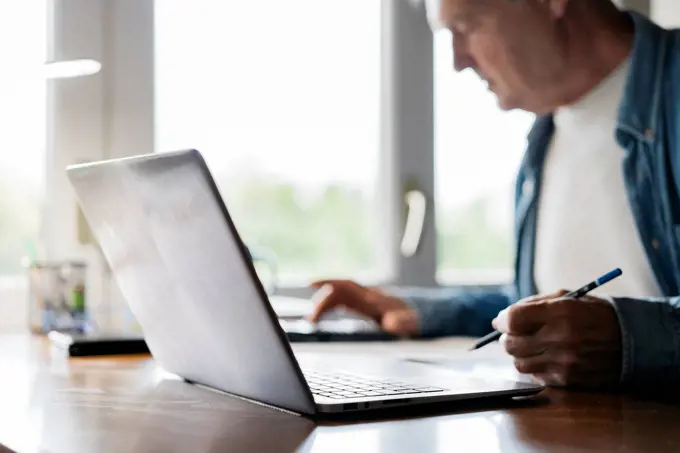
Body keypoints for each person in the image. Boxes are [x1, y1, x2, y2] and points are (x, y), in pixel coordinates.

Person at [308, 0, 680, 389]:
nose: (457, 60)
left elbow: (604, 325)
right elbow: (540, 305)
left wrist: (626, 336)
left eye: (465, 27)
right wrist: (414, 311)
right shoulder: (546, 136)